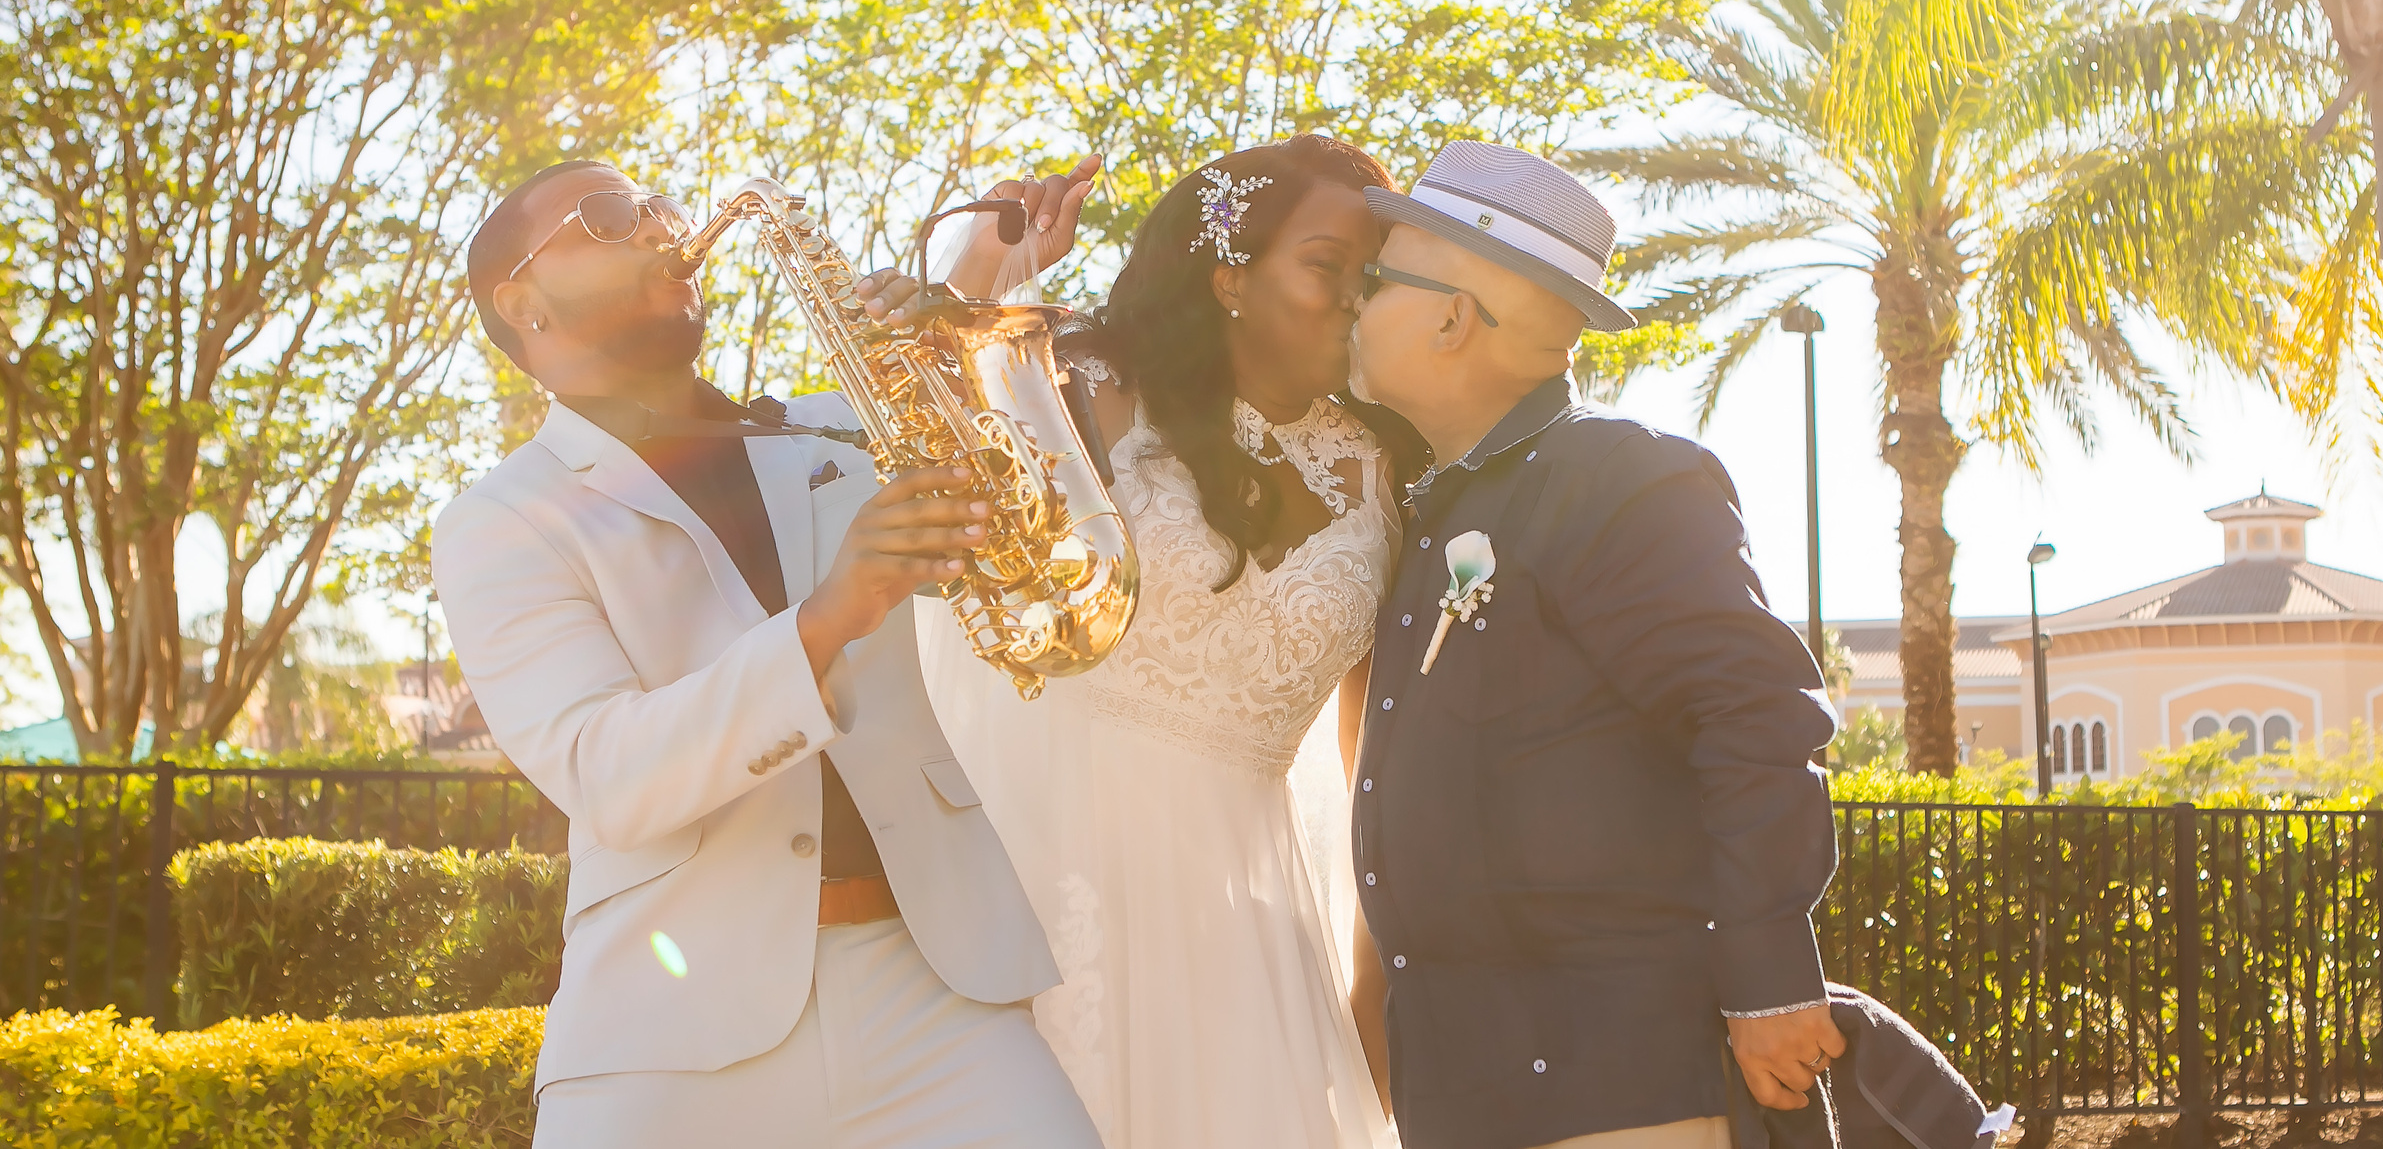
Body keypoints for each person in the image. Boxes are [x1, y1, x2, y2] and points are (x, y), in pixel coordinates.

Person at [430, 159, 1104, 1148]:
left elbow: (1027, 513)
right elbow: (609, 775)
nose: (662, 220)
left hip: (938, 995)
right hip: (670, 1040)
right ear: (523, 302)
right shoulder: (499, 519)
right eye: (610, 216)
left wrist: (970, 300)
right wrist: (831, 616)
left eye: (657, 201)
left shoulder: (841, 428)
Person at [1343, 141, 1845, 1149]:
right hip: (1470, 1093)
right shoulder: (1438, 510)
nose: (1354, 308)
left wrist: (1769, 983)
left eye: (1373, 281)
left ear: (1449, 316)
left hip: (1618, 1094)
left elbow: (1753, 715)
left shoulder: (1619, 481)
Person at [920, 134, 1413, 1149]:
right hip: (1057, 896)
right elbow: (918, 459)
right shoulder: (1087, 389)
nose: (1357, 296)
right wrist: (980, 285)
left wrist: (1369, 991)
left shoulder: (1384, 473)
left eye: (1374, 273)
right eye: (1326, 266)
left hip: (1251, 939)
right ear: (1229, 274)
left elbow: (1378, 774)